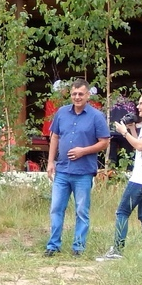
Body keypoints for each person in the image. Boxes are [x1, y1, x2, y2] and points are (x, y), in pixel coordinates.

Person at [44, 78, 110, 257]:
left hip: (83, 171)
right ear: (70, 95)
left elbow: (104, 142)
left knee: (81, 210)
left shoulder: (96, 116)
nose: (77, 97)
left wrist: (84, 151)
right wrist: (51, 162)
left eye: (81, 94)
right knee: (56, 208)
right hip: (62, 170)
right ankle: (53, 246)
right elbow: (55, 137)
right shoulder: (62, 113)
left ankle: (78, 247)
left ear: (88, 95)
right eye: (74, 94)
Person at [97, 92, 142, 260]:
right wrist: (133, 129)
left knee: (122, 212)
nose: (138, 106)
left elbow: (141, 146)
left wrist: (123, 132)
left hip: (141, 178)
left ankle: (117, 250)